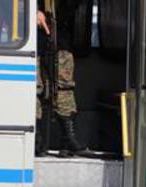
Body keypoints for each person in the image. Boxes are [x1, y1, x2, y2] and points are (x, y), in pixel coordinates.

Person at [37, 1, 97, 158]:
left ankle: (67, 141)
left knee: (63, 88)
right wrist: (34, 11)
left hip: (60, 39)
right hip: (33, 39)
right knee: (36, 89)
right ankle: (37, 141)